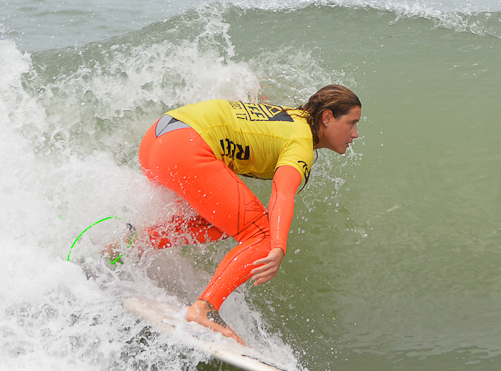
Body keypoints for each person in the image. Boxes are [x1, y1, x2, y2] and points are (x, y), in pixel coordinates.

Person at [132, 84, 361, 344]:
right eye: (351, 123)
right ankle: (204, 309)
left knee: (220, 224)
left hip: (158, 138)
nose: (355, 134)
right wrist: (277, 246)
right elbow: (282, 193)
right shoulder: (301, 142)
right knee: (262, 235)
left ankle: (130, 243)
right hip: (185, 146)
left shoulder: (289, 117)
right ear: (327, 117)